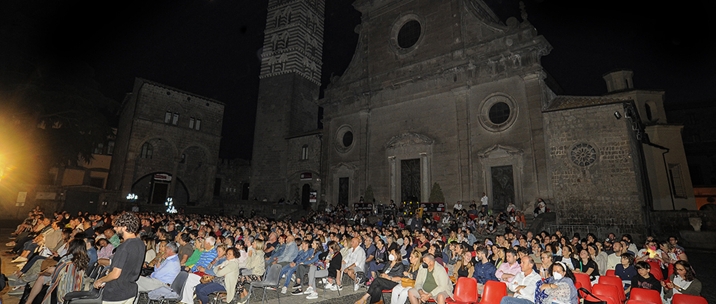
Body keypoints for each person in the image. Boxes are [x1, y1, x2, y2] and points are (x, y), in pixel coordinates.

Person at [93, 212, 145, 304]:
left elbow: (115, 274)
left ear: (124, 227)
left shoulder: (123, 247)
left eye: (117, 226)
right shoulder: (140, 244)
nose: (115, 228)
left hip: (116, 294)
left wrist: (100, 280)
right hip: (130, 291)